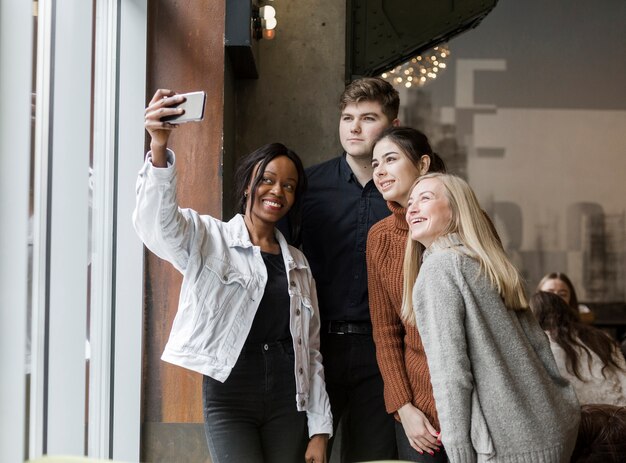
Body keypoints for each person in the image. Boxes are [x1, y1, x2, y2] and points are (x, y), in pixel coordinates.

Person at [134, 89, 332, 463]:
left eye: (288, 186)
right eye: (267, 180)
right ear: (247, 185)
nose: (277, 191)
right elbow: (156, 227)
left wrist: (320, 429)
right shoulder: (210, 238)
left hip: (289, 396)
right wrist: (159, 148)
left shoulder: (299, 264)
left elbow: (311, 349)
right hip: (231, 390)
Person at [404, 173, 580, 463]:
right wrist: (565, 406)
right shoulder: (491, 263)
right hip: (549, 432)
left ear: (457, 211)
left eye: (425, 198)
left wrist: (458, 450)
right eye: (410, 202)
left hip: (503, 447)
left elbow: (451, 373)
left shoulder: (439, 269)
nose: (412, 209)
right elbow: (541, 349)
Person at [293, 77, 400, 462]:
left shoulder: (407, 193)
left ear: (393, 126)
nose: (354, 127)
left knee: (374, 458)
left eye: (368, 117)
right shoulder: (307, 186)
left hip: (383, 351)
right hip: (316, 347)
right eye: (347, 117)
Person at [366, 126, 447, 461]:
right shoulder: (379, 237)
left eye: (390, 159)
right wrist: (404, 408)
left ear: (423, 163)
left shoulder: (465, 223)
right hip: (419, 414)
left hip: (475, 406)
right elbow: (386, 332)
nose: (380, 171)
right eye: (374, 164)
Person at [530, 291, 626, 406]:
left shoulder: (539, 345)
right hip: (617, 413)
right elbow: (623, 376)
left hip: (580, 418)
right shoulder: (602, 337)